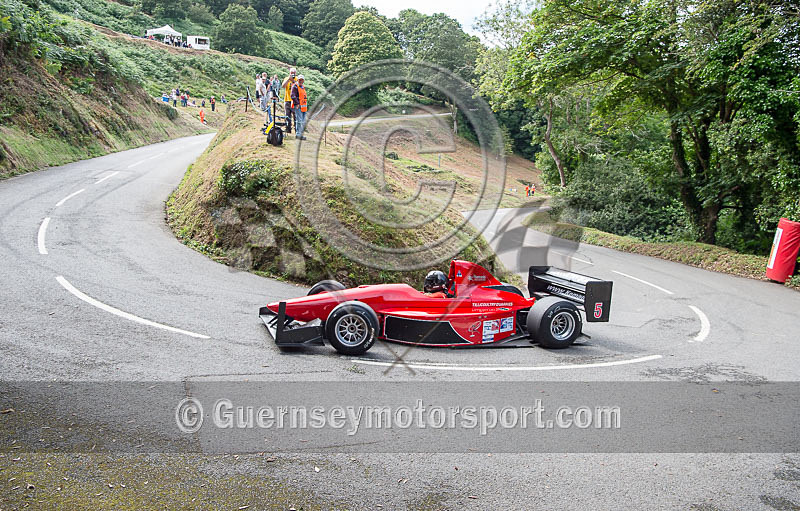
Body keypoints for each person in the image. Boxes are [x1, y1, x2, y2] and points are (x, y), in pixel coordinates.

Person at [290, 74, 308, 140]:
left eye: (302, 80)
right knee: (299, 121)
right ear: (298, 80)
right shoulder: (295, 86)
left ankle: (301, 134)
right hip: (298, 106)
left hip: (303, 107)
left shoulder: (302, 87)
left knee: (302, 121)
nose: (301, 81)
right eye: (300, 80)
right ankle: (298, 135)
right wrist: (297, 103)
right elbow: (292, 95)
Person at [281, 67, 297, 133]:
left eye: (293, 73)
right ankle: (288, 129)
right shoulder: (286, 78)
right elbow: (283, 86)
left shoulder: (297, 79)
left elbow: (298, 87)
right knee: (287, 115)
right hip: (287, 99)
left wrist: (293, 80)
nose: (292, 74)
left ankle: (297, 130)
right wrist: (288, 79)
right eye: (291, 73)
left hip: (294, 100)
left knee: (295, 116)